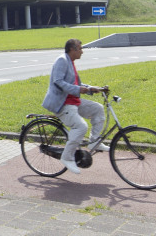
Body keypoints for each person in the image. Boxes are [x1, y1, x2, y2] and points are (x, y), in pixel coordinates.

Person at [41, 38, 107, 174]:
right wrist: (78, 90)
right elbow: (58, 81)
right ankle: (67, 157)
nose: (82, 52)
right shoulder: (62, 60)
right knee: (81, 126)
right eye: (80, 48)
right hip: (63, 103)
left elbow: (76, 85)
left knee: (98, 109)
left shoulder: (70, 62)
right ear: (72, 49)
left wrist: (92, 88)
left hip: (73, 101)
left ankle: (94, 142)